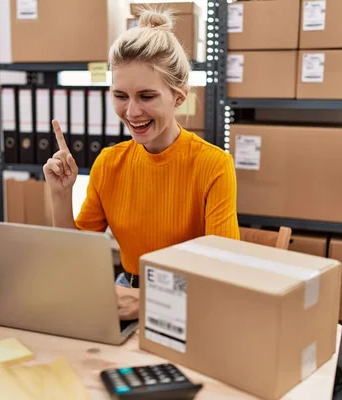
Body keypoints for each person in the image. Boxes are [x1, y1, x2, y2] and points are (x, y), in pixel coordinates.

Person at [43, 8, 240, 321]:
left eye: (146, 96)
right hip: (123, 297)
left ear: (179, 97)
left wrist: (147, 302)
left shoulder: (213, 165)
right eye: (120, 95)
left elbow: (224, 276)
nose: (131, 112)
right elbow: (73, 260)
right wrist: (60, 194)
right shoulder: (109, 162)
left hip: (189, 309)